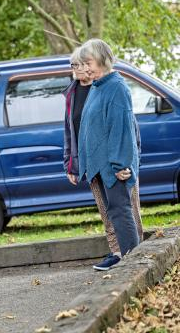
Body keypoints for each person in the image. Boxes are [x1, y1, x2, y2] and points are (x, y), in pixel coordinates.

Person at [63, 47, 143, 271]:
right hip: (98, 164)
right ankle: (126, 261)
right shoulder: (98, 87)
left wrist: (121, 163)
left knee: (121, 209)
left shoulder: (116, 87)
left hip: (114, 166)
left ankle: (133, 267)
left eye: (89, 63)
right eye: (83, 64)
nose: (86, 68)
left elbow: (122, 128)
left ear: (103, 60)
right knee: (113, 212)